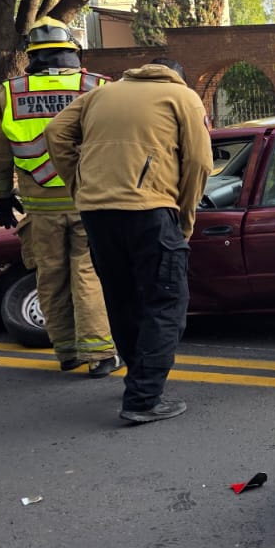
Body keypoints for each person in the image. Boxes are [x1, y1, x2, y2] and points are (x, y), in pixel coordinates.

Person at [48, 58, 213, 424]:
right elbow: (200, 163)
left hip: (96, 213)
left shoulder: (99, 95)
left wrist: (80, 186)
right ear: (178, 76)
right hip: (150, 210)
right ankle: (143, 399)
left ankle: (139, 380)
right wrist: (184, 216)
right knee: (166, 303)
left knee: (122, 300)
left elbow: (55, 133)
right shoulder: (181, 96)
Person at [0, 17, 120, 378]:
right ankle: (100, 353)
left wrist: (0, 195)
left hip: (39, 205)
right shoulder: (98, 87)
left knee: (51, 275)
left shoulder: (10, 92)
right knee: (88, 273)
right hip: (89, 198)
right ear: (73, 53)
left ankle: (67, 351)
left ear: (33, 57)